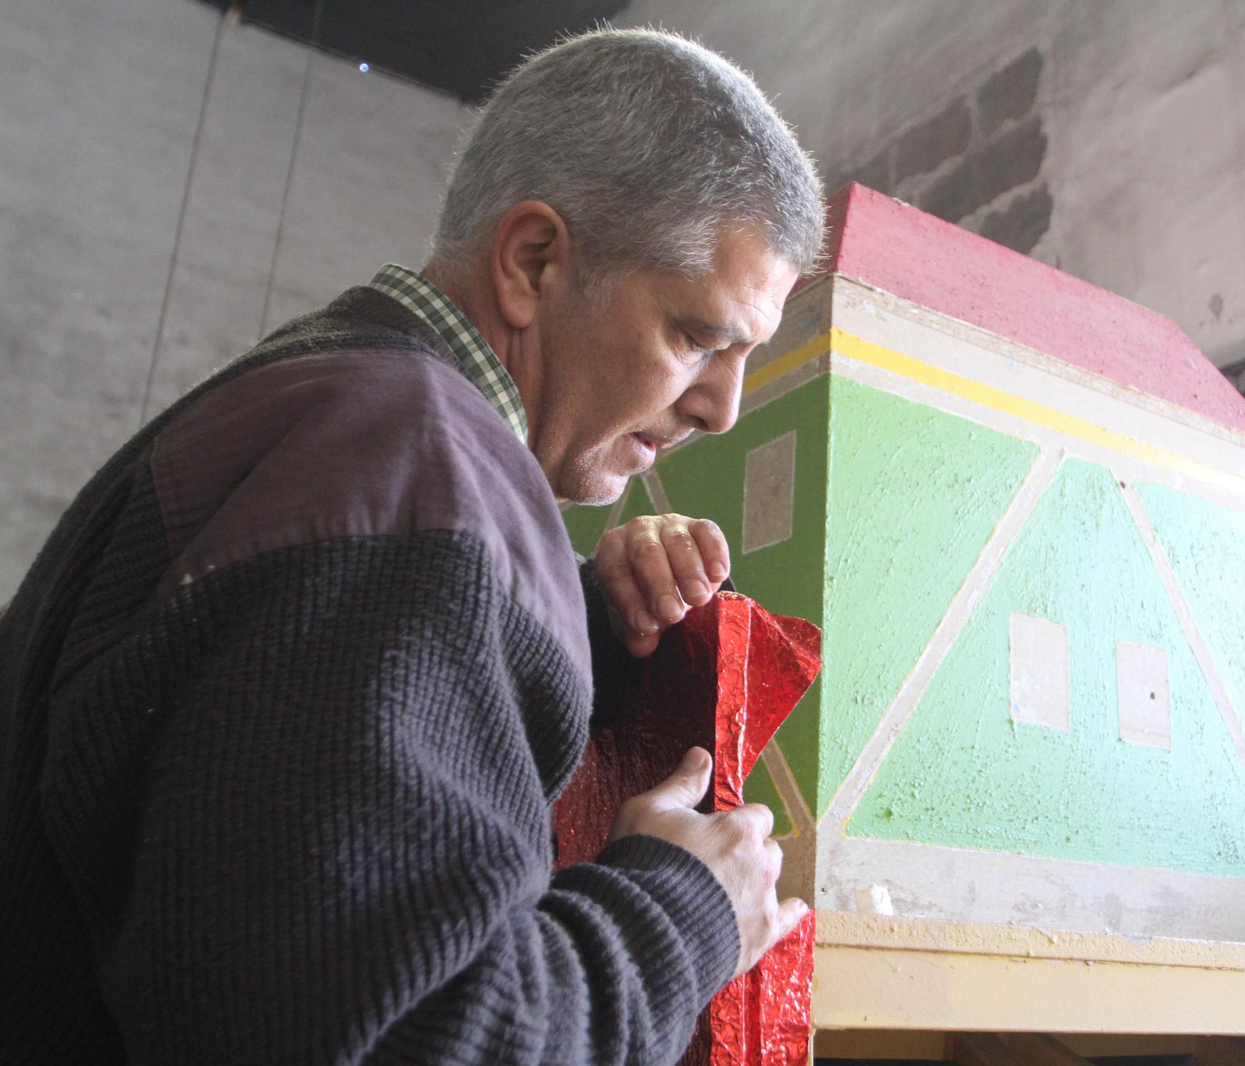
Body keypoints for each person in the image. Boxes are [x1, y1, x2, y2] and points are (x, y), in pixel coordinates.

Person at [0, 28, 825, 1065]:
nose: (723, 406)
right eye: (697, 336)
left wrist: (590, 625)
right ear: (533, 262)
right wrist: (679, 918)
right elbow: (390, 1036)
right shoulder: (405, 479)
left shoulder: (340, 419)